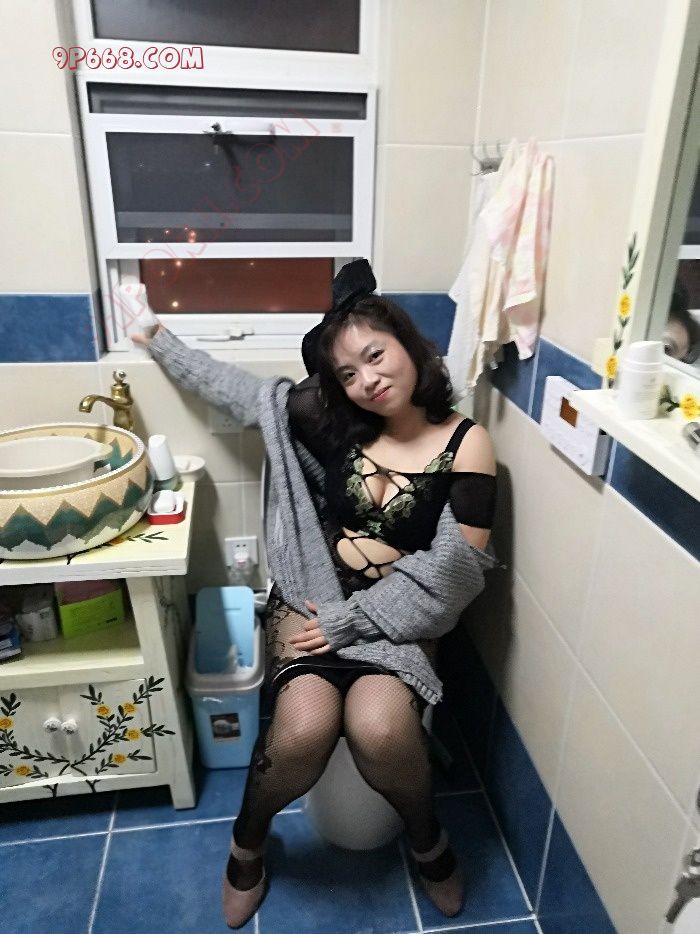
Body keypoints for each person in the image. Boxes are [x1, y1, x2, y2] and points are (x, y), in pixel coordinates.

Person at [133, 259, 497, 928]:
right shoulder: (336, 422)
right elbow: (240, 392)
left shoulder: (467, 444)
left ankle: (427, 840)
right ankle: (246, 845)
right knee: (303, 728)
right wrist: (157, 338)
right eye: (348, 374)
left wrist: (352, 621)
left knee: (381, 728)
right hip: (308, 600)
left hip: (399, 621)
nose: (367, 380)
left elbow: (454, 573)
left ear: (408, 344)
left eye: (375, 356)